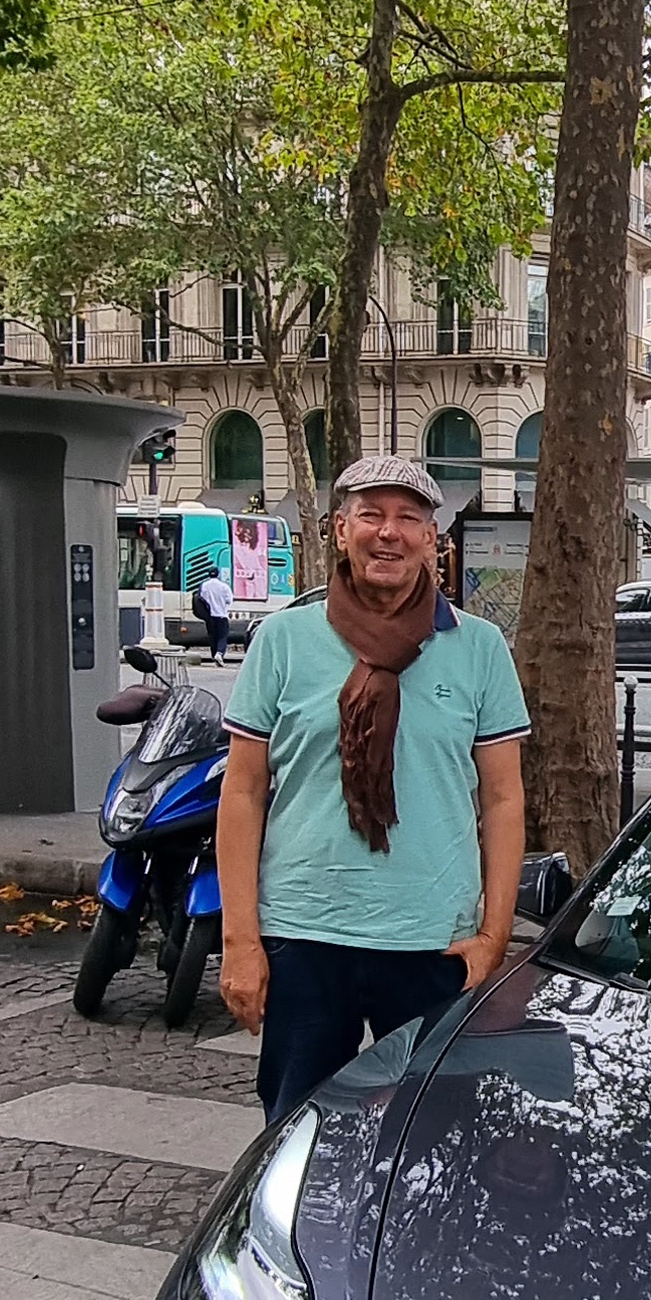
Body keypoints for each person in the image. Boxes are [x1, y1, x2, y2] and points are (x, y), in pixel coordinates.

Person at [217, 455, 528, 1122]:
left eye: (409, 518)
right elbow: (242, 792)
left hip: (433, 941)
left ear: (431, 539)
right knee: (297, 1134)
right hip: (305, 935)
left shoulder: (480, 648)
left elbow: (503, 799)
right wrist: (240, 940)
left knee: (434, 1136)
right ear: (340, 530)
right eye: (371, 515)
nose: (389, 532)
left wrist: (494, 936)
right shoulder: (283, 641)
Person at [195, 563, 234, 664]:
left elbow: (200, 598)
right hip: (221, 615)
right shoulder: (224, 587)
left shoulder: (204, 586)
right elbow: (229, 600)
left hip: (209, 616)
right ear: (218, 574)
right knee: (222, 636)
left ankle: (214, 655)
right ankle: (219, 653)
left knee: (212, 636)